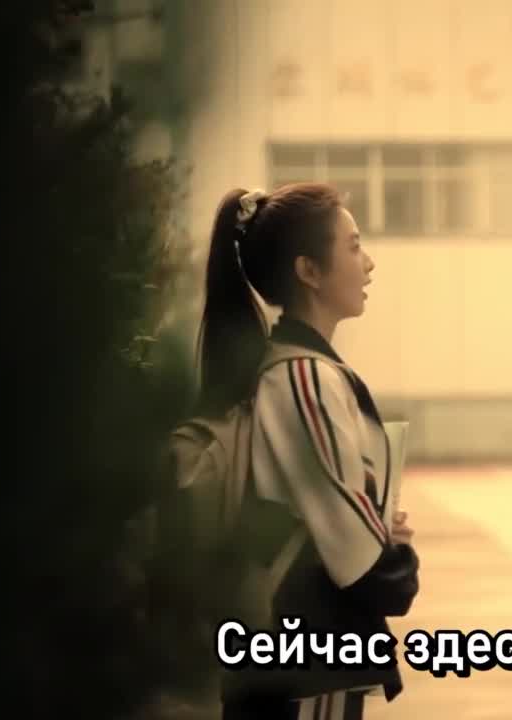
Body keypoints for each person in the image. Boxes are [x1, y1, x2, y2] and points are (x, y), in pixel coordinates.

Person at [196, 182, 421, 720]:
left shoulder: (295, 369)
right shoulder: (303, 377)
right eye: (354, 246)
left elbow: (326, 507)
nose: (368, 264)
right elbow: (355, 551)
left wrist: (374, 527)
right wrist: (394, 558)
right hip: (306, 660)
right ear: (309, 271)